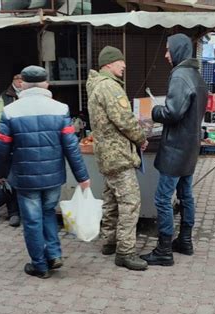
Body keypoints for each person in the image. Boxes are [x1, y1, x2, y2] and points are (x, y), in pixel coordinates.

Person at [0, 65, 90, 279]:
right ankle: (54, 254)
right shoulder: (60, 109)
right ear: (46, 84)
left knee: (32, 220)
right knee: (48, 213)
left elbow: (0, 146)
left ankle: (39, 265)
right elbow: (71, 146)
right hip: (53, 176)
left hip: (25, 178)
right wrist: (83, 177)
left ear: (23, 84)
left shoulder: (11, 111)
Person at [140, 34, 207, 266]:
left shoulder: (180, 74)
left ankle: (164, 249)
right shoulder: (196, 74)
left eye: (169, 50)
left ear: (179, 50)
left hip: (176, 148)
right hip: (190, 146)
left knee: (162, 198)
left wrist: (155, 111)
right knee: (186, 195)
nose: (166, 54)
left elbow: (173, 113)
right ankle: (185, 241)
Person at [86, 46, 148, 271]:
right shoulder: (110, 87)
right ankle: (126, 252)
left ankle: (110, 241)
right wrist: (141, 137)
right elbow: (124, 119)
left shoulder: (95, 86)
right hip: (119, 156)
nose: (124, 66)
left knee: (111, 200)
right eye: (121, 62)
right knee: (130, 202)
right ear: (109, 64)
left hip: (105, 155)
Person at [0, 74, 23, 227]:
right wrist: (10, 124)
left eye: (23, 79)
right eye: (17, 79)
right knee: (10, 180)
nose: (20, 82)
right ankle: (12, 213)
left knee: (14, 179)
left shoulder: (27, 94)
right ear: (13, 80)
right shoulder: (6, 95)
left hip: (19, 139)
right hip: (6, 138)